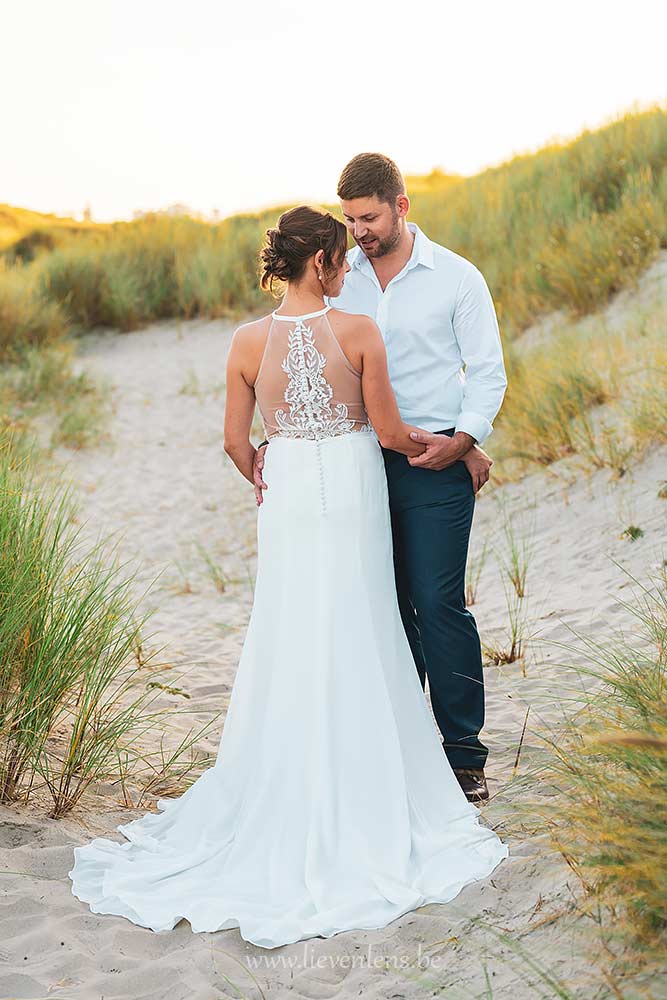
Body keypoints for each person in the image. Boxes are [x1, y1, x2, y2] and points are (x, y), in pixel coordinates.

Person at [68, 204, 508, 950]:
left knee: (291, 623)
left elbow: (236, 444)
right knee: (363, 617)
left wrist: (271, 474)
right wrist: (460, 447)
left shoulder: (244, 342)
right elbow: (392, 433)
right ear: (321, 264)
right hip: (351, 479)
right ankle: (390, 768)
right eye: (340, 260)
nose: (346, 271)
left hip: (291, 491)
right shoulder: (358, 331)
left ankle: (287, 767)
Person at [255, 154, 507, 803]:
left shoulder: (456, 277)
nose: (358, 230)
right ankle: (400, 751)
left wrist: (466, 439)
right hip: (355, 465)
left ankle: (462, 756)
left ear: (401, 205)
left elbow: (485, 370)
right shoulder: (336, 273)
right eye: (349, 219)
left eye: (368, 216)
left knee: (437, 603)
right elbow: (298, 348)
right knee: (379, 607)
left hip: (434, 462)